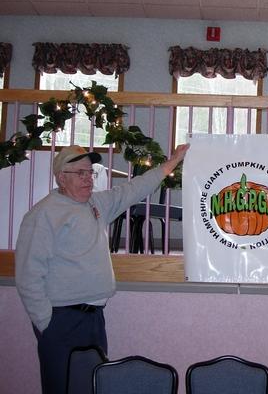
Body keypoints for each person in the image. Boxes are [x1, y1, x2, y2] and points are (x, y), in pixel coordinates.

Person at [15, 144, 189, 394]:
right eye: (81, 173)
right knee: (62, 387)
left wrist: (173, 161)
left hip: (94, 319)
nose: (88, 179)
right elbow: (28, 275)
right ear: (62, 177)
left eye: (91, 172)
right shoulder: (43, 214)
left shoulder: (96, 204)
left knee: (92, 386)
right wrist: (47, 323)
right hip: (62, 320)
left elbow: (134, 189)